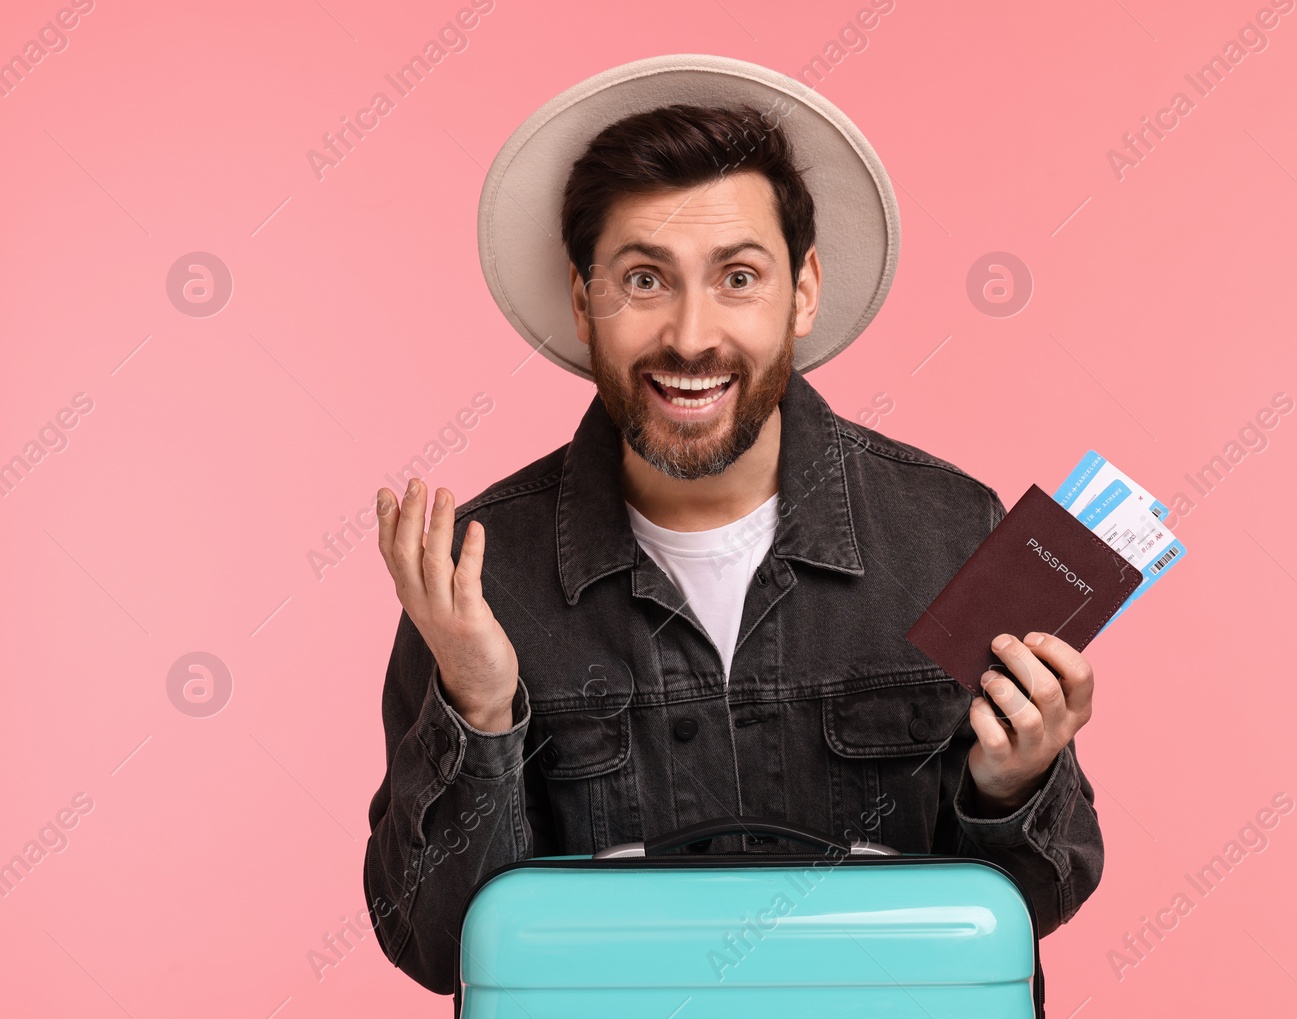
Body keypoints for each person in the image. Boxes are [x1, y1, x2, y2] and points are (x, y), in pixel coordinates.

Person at [362, 55, 1104, 996]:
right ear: (584, 301)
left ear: (802, 293)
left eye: (738, 277)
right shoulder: (477, 576)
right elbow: (432, 947)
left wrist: (1014, 787)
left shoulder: (953, 531)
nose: (689, 334)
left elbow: (1032, 910)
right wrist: (479, 711)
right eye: (643, 279)